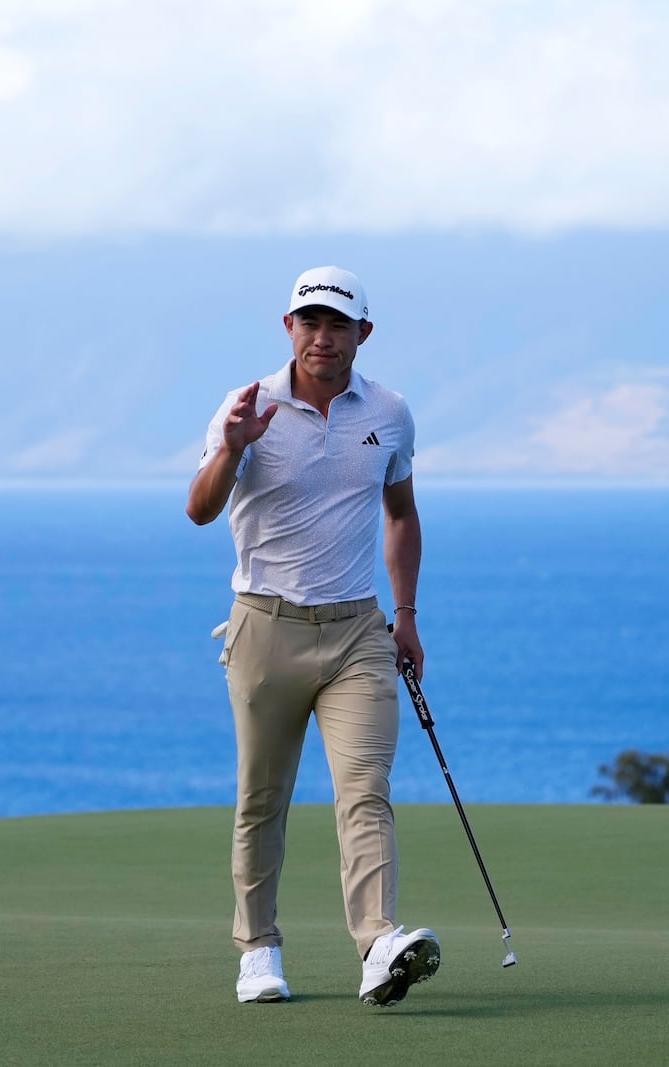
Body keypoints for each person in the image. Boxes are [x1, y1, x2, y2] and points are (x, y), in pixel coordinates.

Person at [186, 265, 440, 1008]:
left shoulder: (388, 412)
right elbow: (200, 510)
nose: (321, 337)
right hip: (265, 627)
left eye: (337, 324)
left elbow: (400, 513)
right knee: (261, 798)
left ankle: (378, 944)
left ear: (362, 333)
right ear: (288, 328)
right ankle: (258, 949)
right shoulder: (246, 406)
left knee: (366, 790)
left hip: (358, 629)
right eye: (308, 322)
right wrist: (233, 447)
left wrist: (407, 614)